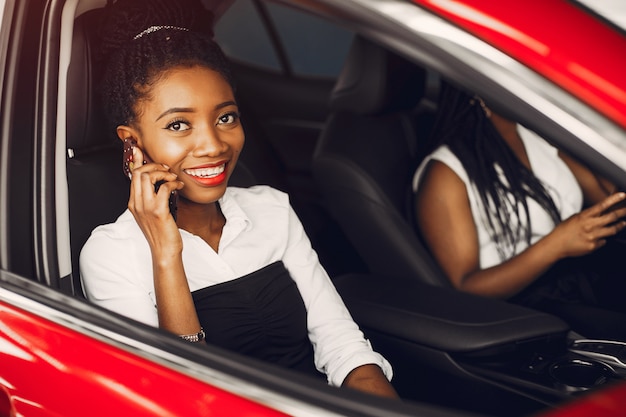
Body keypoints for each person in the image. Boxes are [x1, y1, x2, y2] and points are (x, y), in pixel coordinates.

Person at [79, 0, 397, 398]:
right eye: (179, 125)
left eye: (225, 117)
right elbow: (181, 396)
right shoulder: (112, 254)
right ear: (133, 144)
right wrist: (166, 253)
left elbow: (344, 347)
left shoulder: (271, 209)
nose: (214, 145)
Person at [413, 82, 626, 340]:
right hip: (525, 309)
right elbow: (465, 287)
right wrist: (556, 244)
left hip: (578, 276)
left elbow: (606, 197)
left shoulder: (533, 133)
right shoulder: (445, 173)